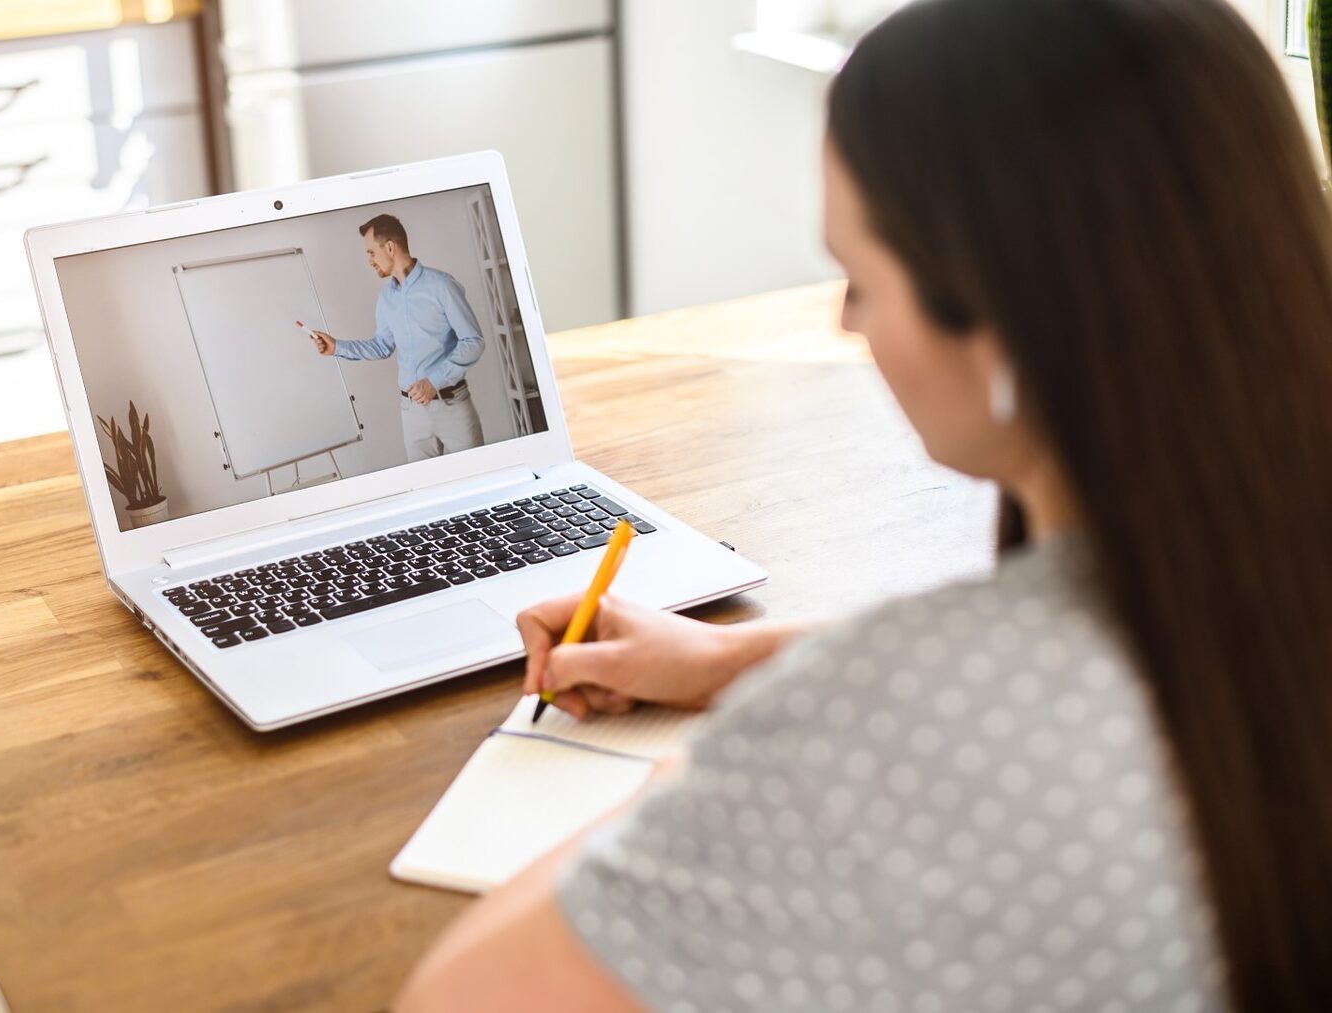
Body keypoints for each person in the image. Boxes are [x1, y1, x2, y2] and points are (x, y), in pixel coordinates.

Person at [395, 0, 1332, 1010]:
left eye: (859, 277)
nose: (847, 322)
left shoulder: (888, 740)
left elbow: (454, 993)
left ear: (1005, 320)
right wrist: (730, 658)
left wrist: (745, 768)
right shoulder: (1246, 580)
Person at [308, 213, 486, 462]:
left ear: (389, 247)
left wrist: (433, 381)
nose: (369, 260)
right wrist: (336, 347)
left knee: (474, 482)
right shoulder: (386, 299)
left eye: (371, 252)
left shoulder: (442, 286)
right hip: (412, 414)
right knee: (424, 491)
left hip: (453, 408)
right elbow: (382, 346)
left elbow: (473, 342)